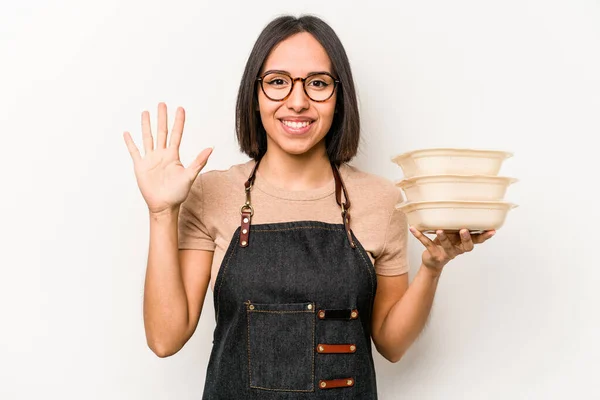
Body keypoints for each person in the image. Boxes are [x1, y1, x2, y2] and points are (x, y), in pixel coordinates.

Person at [123, 14, 494, 400]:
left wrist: (432, 268)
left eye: (317, 84)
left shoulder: (381, 200)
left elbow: (392, 345)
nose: (297, 102)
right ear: (255, 95)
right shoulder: (211, 193)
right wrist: (162, 213)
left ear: (339, 96)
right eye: (278, 82)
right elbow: (165, 338)